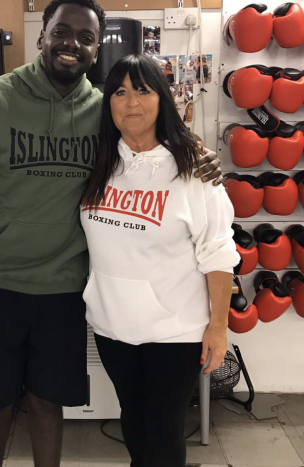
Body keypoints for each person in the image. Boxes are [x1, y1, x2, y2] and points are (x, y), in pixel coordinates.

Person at [0, 0, 222, 467]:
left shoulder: (101, 110)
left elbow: (147, 125)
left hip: (65, 289)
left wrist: (197, 151)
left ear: (95, 48)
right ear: (42, 36)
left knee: (49, 401)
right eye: (61, 32)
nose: (72, 43)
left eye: (85, 37)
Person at [81, 54, 238, 467]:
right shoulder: (98, 161)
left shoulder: (193, 169)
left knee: (165, 430)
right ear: (108, 103)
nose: (131, 101)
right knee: (133, 420)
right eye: (120, 91)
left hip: (174, 331)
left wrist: (218, 328)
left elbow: (219, 252)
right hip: (111, 325)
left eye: (143, 90)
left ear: (161, 99)